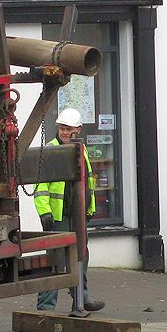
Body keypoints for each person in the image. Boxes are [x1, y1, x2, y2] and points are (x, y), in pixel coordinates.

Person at [34, 107, 105, 312]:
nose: (65, 133)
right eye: (62, 129)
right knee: (55, 260)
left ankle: (81, 299)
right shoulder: (50, 150)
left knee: (81, 257)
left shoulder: (80, 150)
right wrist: (45, 213)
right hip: (58, 217)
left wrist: (89, 210)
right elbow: (40, 188)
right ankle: (46, 306)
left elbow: (87, 184)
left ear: (79, 130)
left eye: (69, 129)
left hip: (77, 216)